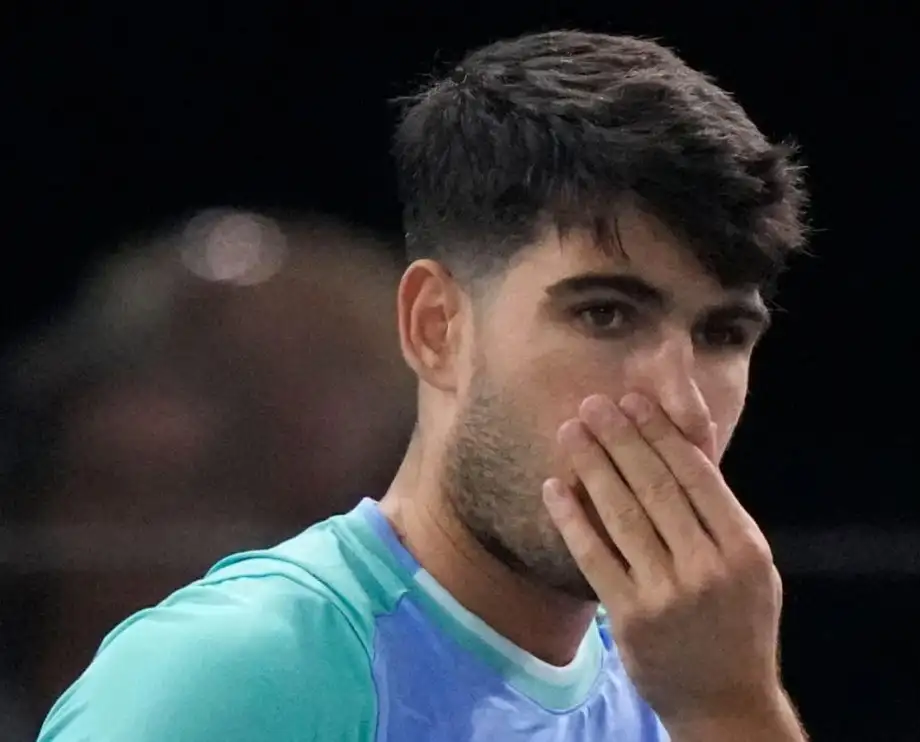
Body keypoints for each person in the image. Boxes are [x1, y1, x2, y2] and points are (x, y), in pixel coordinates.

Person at [37, 29, 811, 742]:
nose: (681, 405)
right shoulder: (235, 678)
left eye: (721, 334)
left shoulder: (681, 693)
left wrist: (732, 710)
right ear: (437, 327)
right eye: (605, 315)